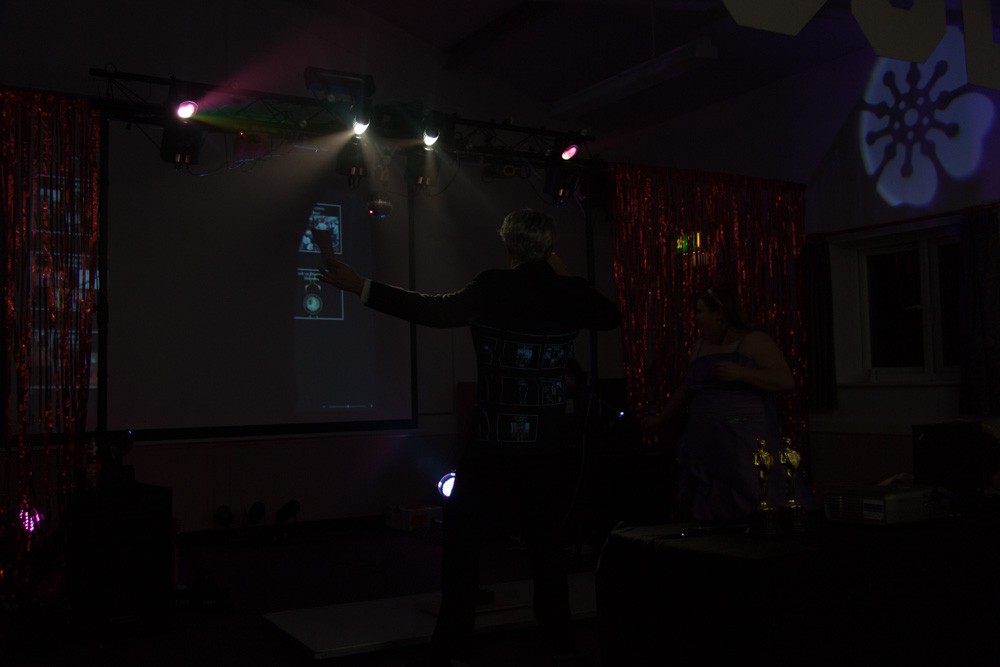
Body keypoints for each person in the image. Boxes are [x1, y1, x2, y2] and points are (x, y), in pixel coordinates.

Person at [318, 208, 620, 666]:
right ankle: (561, 645)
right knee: (547, 549)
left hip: (492, 445)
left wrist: (363, 285)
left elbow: (433, 310)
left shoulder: (493, 286)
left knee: (462, 547)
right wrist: (564, 277)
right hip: (546, 447)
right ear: (548, 247)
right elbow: (610, 316)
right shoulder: (569, 292)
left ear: (509, 245)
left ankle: (454, 648)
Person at [641, 285, 801, 523]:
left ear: (718, 314)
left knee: (747, 492)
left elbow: (785, 380)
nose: (697, 317)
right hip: (705, 437)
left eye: (701, 311)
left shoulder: (753, 341)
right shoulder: (700, 346)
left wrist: (742, 374)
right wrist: (661, 418)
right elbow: (687, 387)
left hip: (742, 438)